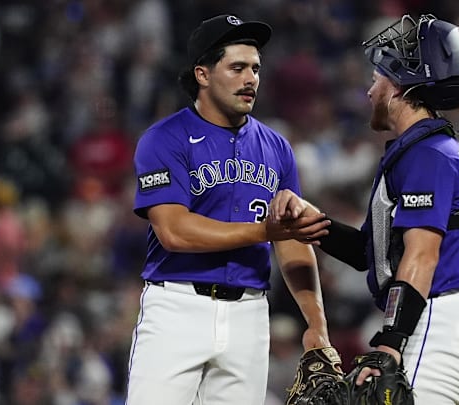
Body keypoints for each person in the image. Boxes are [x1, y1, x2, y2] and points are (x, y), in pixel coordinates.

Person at [270, 14, 459, 404]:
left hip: (441, 318)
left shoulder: (428, 154)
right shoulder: (419, 150)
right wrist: (313, 221)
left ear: (397, 87)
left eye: (376, 79)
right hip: (442, 316)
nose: (369, 91)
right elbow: (370, 252)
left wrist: (390, 342)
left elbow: (423, 255)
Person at [126, 14, 334, 405]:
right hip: (177, 307)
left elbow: (291, 241)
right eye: (236, 67)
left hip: (249, 315)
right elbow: (174, 231)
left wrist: (317, 325)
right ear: (202, 75)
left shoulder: (277, 147)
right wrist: (265, 233)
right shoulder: (163, 139)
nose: (250, 78)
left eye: (255, 68)